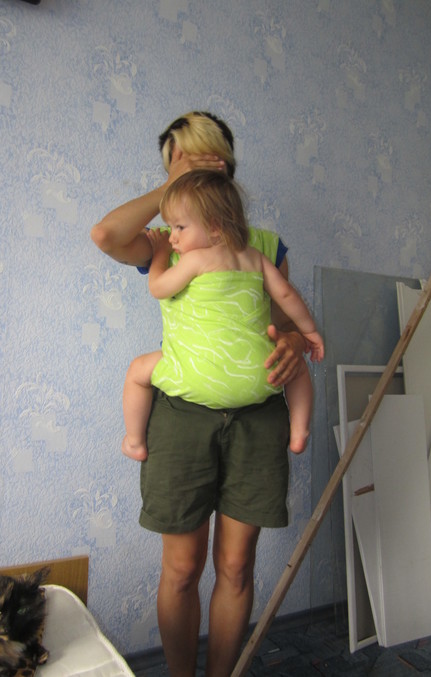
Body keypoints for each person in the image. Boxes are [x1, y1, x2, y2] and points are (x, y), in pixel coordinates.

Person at [91, 111, 321, 677]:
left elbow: (280, 318)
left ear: (224, 160)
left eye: (196, 154)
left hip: (256, 418)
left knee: (236, 567)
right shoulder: (166, 240)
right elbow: (105, 236)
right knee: (182, 568)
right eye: (175, 161)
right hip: (182, 419)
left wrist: (297, 340)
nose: (185, 165)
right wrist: (170, 193)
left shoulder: (264, 246)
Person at [121, 169, 324, 463]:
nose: (173, 237)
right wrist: (310, 331)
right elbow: (286, 296)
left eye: (180, 227)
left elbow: (158, 287)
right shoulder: (255, 257)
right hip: (258, 374)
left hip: (197, 375)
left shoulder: (195, 259)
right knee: (298, 369)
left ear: (215, 227)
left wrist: (161, 253)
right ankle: (299, 432)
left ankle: (134, 441)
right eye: (170, 228)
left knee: (137, 371)